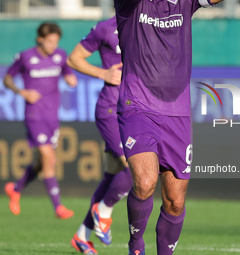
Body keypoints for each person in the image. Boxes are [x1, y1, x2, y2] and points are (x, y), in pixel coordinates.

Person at [112, 0, 224, 254]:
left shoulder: (185, 2)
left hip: (178, 113)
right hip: (137, 105)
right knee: (146, 181)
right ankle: (136, 246)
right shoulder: (130, 6)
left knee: (175, 201)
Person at [67, 17, 133, 254]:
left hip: (136, 110)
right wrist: (102, 73)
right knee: (136, 167)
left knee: (111, 177)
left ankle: (82, 237)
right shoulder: (106, 27)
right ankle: (103, 212)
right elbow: (73, 58)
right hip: (111, 109)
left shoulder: (151, 22)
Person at [3, 22, 77, 219]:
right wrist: (22, 92)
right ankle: (58, 207)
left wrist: (71, 79)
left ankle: (16, 188)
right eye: (50, 41)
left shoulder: (60, 55)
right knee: (48, 158)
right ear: (40, 39)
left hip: (53, 116)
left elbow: (68, 73)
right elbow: (7, 79)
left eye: (56, 41)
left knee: (42, 163)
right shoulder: (26, 57)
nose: (53, 45)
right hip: (34, 115)